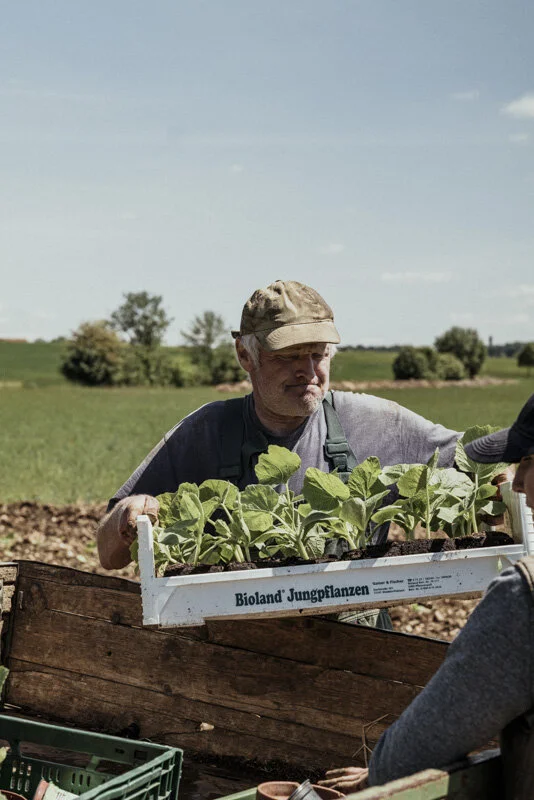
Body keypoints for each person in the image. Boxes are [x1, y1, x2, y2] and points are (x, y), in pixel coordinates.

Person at [97, 279, 460, 575]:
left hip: (359, 651)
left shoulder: (377, 423)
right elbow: (108, 555)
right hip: (237, 653)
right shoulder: (204, 432)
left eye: (318, 353)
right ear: (244, 355)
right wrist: (129, 515)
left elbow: (474, 461)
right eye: (287, 357)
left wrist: (498, 480)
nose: (308, 370)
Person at [319, 392, 534, 794]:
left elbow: (432, 736)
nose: (517, 484)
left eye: (527, 463)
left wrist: (380, 771)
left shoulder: (526, 597)